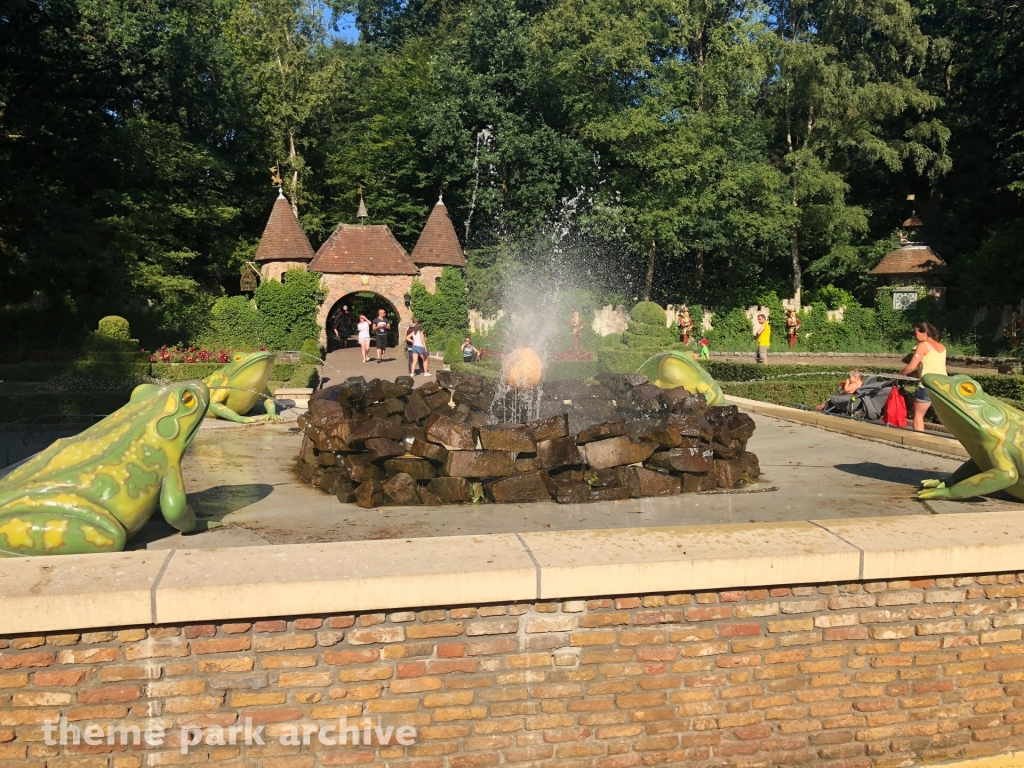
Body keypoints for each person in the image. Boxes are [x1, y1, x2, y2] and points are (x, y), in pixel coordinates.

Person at [899, 321, 947, 432]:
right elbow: (933, 367)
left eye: (915, 333)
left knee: (918, 415)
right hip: (943, 384)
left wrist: (900, 375)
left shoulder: (923, 345)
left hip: (927, 385)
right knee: (944, 417)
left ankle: (919, 439)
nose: (914, 336)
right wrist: (914, 374)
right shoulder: (942, 347)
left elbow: (911, 366)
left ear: (924, 333)